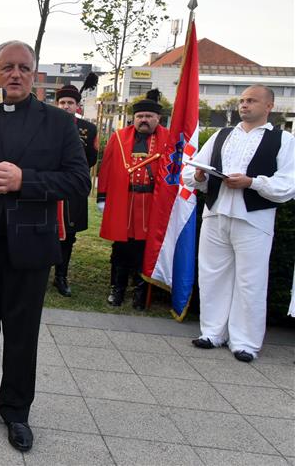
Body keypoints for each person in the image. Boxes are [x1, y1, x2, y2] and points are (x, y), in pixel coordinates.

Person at [0, 41, 90, 452]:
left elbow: (79, 181)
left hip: (31, 245)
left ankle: (17, 411)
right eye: (7, 67)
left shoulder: (59, 123)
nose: (16, 74)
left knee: (22, 335)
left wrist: (27, 180)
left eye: (24, 67)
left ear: (35, 73)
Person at [183, 84, 295, 362]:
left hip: (254, 217)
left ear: (269, 106)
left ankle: (245, 341)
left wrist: (252, 182)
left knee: (251, 280)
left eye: (252, 101)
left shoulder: (283, 140)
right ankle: (212, 332)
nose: (244, 105)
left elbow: (288, 184)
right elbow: (193, 168)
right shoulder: (222, 135)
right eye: (243, 100)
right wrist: (199, 177)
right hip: (217, 211)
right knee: (212, 273)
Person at [97, 89, 169, 310]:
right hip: (124, 200)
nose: (144, 120)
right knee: (121, 247)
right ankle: (116, 290)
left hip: (152, 203)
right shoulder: (119, 138)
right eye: (140, 116)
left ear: (158, 118)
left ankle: (141, 291)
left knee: (145, 248)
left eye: (149, 116)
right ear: (133, 118)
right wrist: (103, 197)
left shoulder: (169, 139)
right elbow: (107, 167)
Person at [52, 85, 98, 297]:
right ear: (56, 104)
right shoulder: (45, 125)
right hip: (49, 186)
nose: (66, 106)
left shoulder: (89, 129)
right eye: (62, 103)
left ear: (77, 106)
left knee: (69, 235)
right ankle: (40, 272)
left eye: (70, 103)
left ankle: (61, 276)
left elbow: (90, 159)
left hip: (72, 189)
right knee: (44, 230)